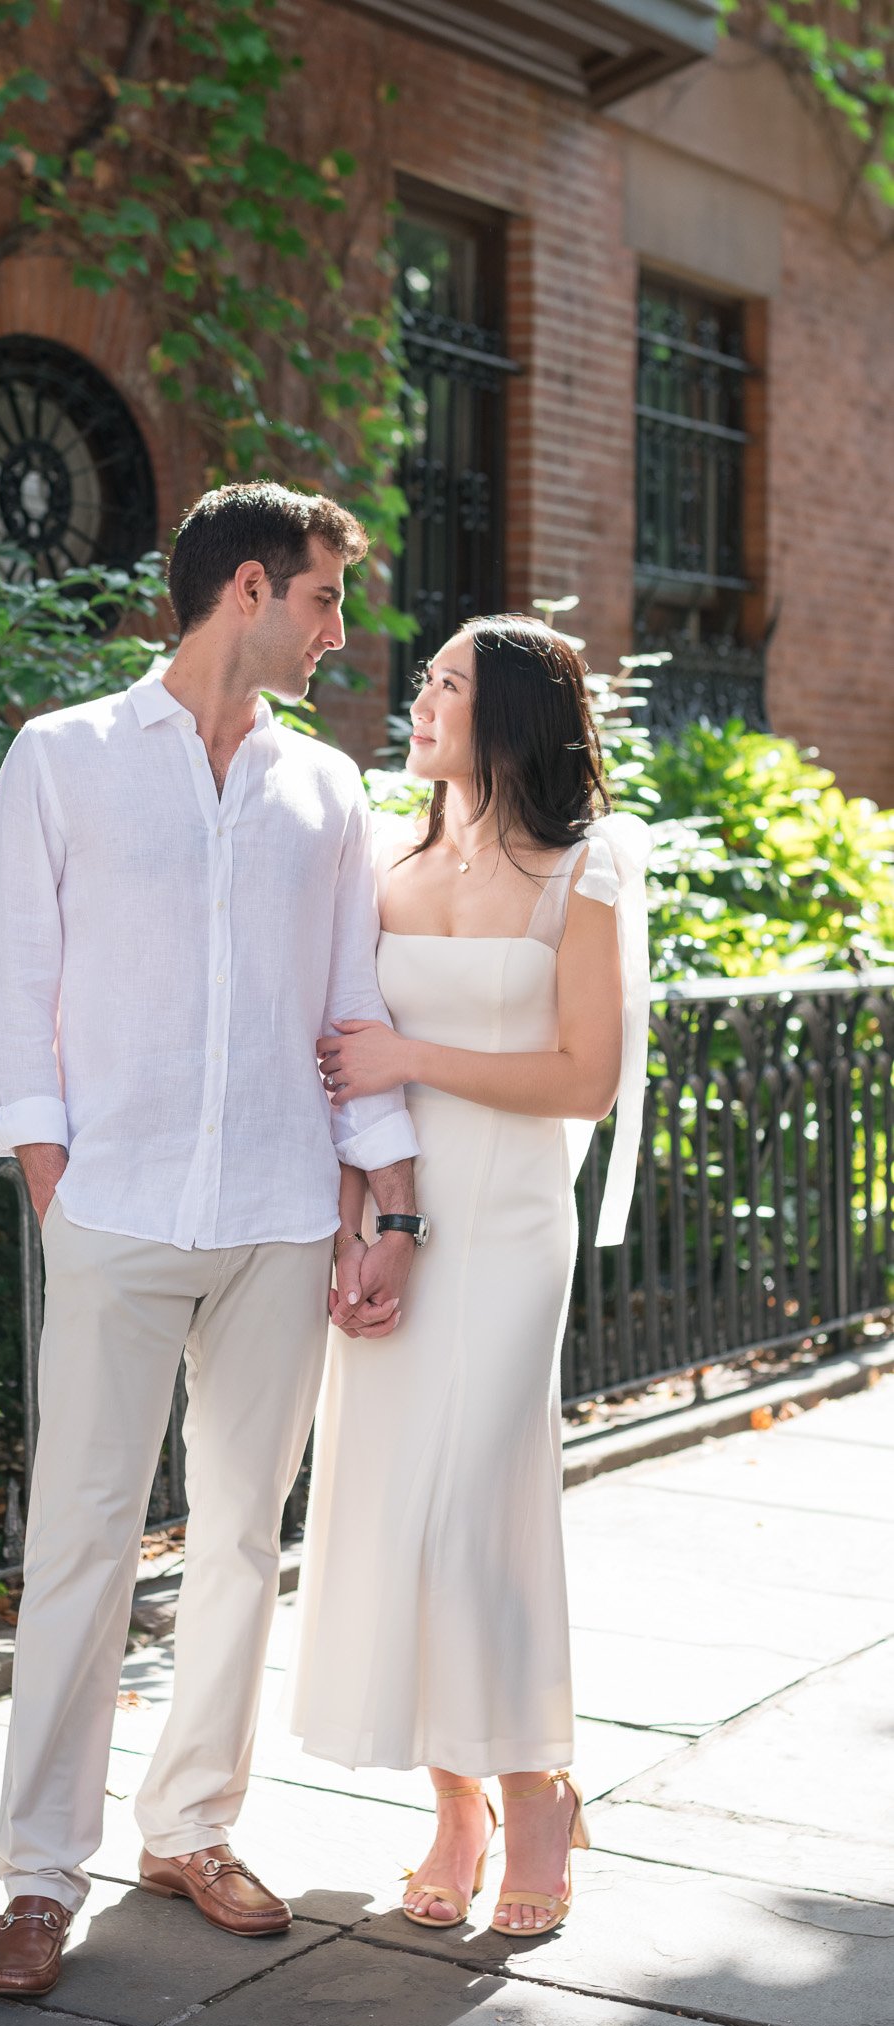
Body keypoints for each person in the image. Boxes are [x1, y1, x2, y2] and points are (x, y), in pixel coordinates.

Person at [0, 481, 422, 1997]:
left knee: (239, 1536)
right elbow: (16, 989)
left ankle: (192, 1826)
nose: (336, 632)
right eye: (322, 600)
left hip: (282, 1217)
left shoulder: (327, 788)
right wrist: (56, 1182)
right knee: (80, 1544)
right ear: (248, 587)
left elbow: (350, 1006)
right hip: (115, 1207)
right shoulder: (64, 759)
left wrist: (384, 1199)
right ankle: (38, 1874)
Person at [291, 614, 650, 1938]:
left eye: (448, 681)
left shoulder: (583, 869)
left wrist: (412, 1060)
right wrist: (352, 1225)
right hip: (395, 1221)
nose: (420, 697)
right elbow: (331, 1067)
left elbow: (583, 1077)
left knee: (471, 1511)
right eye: (425, 678)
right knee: (390, 1508)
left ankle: (535, 1788)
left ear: (507, 713)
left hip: (505, 1227)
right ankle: (454, 1806)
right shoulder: (376, 863)